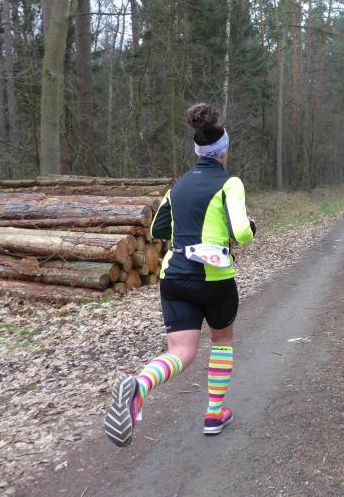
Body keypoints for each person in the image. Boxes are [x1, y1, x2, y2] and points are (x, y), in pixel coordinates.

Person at [104, 103, 256, 447]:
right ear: (224, 151)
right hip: (214, 279)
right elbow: (242, 233)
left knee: (181, 352)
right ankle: (214, 412)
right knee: (221, 341)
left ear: (197, 150)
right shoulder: (230, 183)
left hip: (175, 277)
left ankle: (139, 386)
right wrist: (250, 226)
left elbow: (157, 229)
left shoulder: (178, 187)